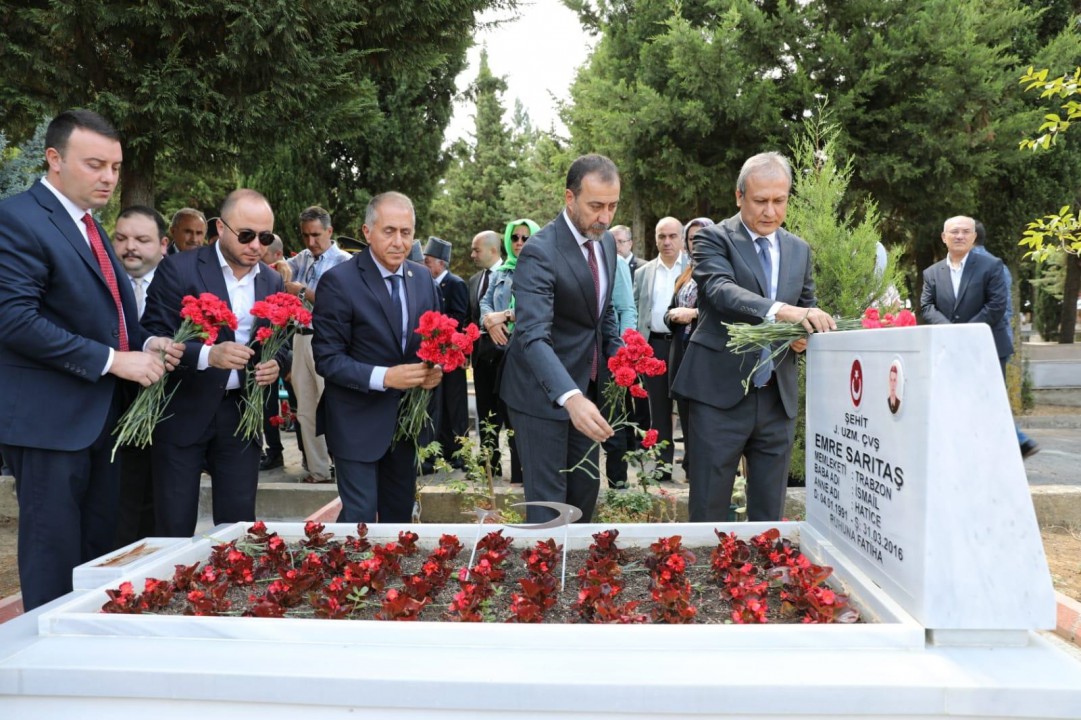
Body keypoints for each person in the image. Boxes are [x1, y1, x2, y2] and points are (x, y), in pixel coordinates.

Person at [0, 109, 180, 609]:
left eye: (115, 167)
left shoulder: (92, 228)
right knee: (53, 556)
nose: (108, 177)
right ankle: (48, 667)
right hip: (49, 424)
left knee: (99, 555)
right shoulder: (17, 218)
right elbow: (13, 320)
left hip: (100, 420)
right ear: (54, 159)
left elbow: (112, 318)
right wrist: (112, 361)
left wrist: (147, 346)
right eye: (95, 164)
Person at [672, 152, 836, 522]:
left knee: (769, 513)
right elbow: (720, 291)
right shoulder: (713, 239)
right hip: (718, 396)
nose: (770, 211)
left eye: (779, 201)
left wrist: (802, 336)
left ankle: (762, 578)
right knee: (710, 509)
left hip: (777, 397)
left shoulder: (799, 249)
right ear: (739, 196)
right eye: (760, 201)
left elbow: (806, 306)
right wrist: (784, 311)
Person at [142, 189, 286, 537]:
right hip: (182, 410)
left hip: (240, 416)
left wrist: (277, 364)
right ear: (220, 227)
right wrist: (208, 355)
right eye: (247, 235)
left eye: (264, 237)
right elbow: (150, 335)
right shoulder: (178, 269)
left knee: (238, 528)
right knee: (173, 527)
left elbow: (279, 343)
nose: (256, 245)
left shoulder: (271, 279)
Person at [499, 155, 622, 523]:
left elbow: (601, 315)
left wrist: (622, 360)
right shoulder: (540, 250)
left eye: (612, 206)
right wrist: (570, 397)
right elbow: (531, 336)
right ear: (569, 198)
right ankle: (544, 580)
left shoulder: (607, 244)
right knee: (549, 509)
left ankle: (578, 576)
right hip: (541, 396)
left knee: (584, 494)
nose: (605, 217)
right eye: (595, 206)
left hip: (587, 390)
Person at [312, 192, 443, 523]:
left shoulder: (422, 277)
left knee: (399, 519)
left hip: (405, 425)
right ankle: (346, 574)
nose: (399, 241)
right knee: (360, 520)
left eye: (407, 232)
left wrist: (434, 368)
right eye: (389, 231)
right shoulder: (339, 282)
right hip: (355, 423)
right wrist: (385, 377)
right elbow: (327, 359)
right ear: (367, 232)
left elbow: (434, 340)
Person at [921, 216, 1036, 457]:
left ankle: (1010, 449)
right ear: (944, 237)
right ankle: (993, 448)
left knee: (989, 399)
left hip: (988, 348)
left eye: (965, 232)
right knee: (960, 402)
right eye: (954, 231)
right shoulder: (931, 273)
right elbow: (927, 308)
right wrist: (953, 333)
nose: (959, 236)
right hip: (950, 348)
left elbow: (996, 306)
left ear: (974, 237)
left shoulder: (992, 266)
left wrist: (966, 333)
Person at [111, 205, 171, 548]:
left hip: (166, 416)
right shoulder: (102, 281)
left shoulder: (179, 283)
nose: (129, 246)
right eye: (121, 238)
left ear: (163, 244)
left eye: (141, 239)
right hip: (109, 415)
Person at [282, 206, 351, 483]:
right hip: (299, 338)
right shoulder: (305, 257)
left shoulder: (344, 262)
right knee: (306, 410)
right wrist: (283, 269)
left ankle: (346, 468)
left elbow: (338, 305)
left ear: (330, 232)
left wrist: (300, 290)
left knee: (334, 407)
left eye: (316, 235)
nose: (311, 242)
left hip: (327, 341)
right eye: (305, 236)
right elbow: (282, 265)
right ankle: (319, 470)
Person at [972, 221, 1039, 458]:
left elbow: (988, 308)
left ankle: (1020, 442)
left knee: (987, 396)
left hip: (982, 342)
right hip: (998, 340)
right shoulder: (999, 266)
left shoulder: (977, 266)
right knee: (986, 395)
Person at [481, 218, 540, 485]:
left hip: (528, 354)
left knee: (523, 417)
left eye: (526, 238)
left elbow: (539, 307)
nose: (519, 243)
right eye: (515, 237)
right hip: (499, 352)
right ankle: (508, 474)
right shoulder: (500, 272)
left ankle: (527, 474)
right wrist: (488, 322)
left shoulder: (541, 269)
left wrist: (503, 316)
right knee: (500, 413)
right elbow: (484, 302)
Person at [633, 217, 688, 483]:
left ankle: (692, 465)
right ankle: (663, 466)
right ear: (655, 238)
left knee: (689, 406)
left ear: (681, 238)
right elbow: (635, 309)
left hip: (685, 345)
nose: (667, 242)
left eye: (672, 236)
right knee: (658, 410)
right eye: (661, 236)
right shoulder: (643, 273)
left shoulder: (693, 268)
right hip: (653, 346)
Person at [665, 217, 714, 472]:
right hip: (681, 348)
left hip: (705, 354)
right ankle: (690, 466)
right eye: (693, 239)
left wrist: (692, 314)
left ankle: (702, 468)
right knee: (684, 409)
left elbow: (723, 311)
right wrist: (672, 315)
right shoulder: (687, 272)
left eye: (702, 237)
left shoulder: (720, 270)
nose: (697, 243)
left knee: (703, 415)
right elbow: (671, 308)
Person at [423, 236, 470, 468]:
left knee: (456, 405)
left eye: (428, 261)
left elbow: (459, 317)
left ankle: (461, 452)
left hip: (452, 354)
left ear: (441, 263)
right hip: (435, 354)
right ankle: (442, 449)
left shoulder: (455, 284)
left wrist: (439, 327)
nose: (425, 266)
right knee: (438, 405)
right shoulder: (428, 284)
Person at [467, 230, 506, 475]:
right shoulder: (473, 281)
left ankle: (520, 466)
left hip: (505, 357)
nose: (472, 254)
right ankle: (489, 464)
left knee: (507, 413)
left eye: (476, 250)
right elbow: (471, 319)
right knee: (484, 412)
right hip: (481, 358)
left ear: (493, 250)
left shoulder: (512, 274)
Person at [602, 238, 638, 489]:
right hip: (578, 355)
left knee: (614, 424)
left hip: (611, 354)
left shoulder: (615, 262)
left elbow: (627, 309)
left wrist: (622, 354)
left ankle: (618, 486)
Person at [260, 234, 295, 473]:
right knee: (271, 404)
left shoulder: (279, 278)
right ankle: (274, 451)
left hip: (285, 349)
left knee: (291, 404)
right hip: (269, 349)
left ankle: (277, 451)